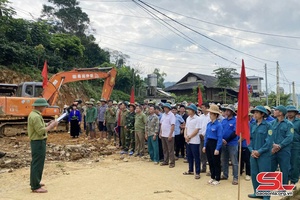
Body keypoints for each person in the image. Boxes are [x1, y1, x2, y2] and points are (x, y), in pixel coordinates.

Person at [28, 98, 58, 193]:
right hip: (38, 142)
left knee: (36, 163)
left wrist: (47, 124)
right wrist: (51, 126)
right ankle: (35, 186)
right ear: (40, 106)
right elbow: (40, 131)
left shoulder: (34, 115)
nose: (45, 107)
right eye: (44, 106)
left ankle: (35, 182)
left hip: (36, 141)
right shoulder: (36, 116)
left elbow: (40, 126)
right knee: (37, 163)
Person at [248, 106, 273, 200]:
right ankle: (257, 192)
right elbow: (249, 139)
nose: (254, 114)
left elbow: (269, 142)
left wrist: (259, 151)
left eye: (257, 113)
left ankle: (266, 196)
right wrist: (251, 150)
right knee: (254, 174)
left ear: (262, 114)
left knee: (264, 175)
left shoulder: (268, 126)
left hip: (264, 155)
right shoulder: (252, 125)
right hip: (253, 154)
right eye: (254, 113)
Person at [271, 105, 293, 185]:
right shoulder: (272, 123)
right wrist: (273, 144)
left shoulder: (289, 124)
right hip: (273, 150)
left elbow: (289, 137)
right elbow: (269, 135)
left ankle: (283, 187)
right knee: (270, 168)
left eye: (276, 110)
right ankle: (270, 186)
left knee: (284, 169)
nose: (274, 111)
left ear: (280, 113)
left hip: (284, 151)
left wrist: (280, 146)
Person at [202, 104, 223, 185]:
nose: (210, 115)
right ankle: (212, 176)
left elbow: (220, 137)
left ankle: (217, 178)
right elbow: (206, 136)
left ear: (216, 115)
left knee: (216, 162)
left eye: (211, 114)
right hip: (209, 143)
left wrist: (217, 148)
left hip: (215, 143)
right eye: (210, 113)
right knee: (210, 161)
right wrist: (204, 145)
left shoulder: (219, 125)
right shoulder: (209, 124)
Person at [220, 105, 238, 185]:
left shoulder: (235, 121)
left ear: (232, 112)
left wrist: (226, 140)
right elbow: (220, 130)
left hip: (232, 143)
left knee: (234, 161)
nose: (226, 112)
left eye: (228, 110)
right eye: (226, 110)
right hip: (223, 143)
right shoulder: (223, 121)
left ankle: (235, 177)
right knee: (224, 160)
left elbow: (235, 132)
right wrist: (222, 139)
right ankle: (225, 174)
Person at [183, 104, 201, 179]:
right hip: (188, 140)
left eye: (189, 110)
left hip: (194, 141)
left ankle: (197, 172)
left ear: (193, 111)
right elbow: (186, 128)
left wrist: (189, 136)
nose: (188, 111)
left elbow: (196, 130)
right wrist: (185, 135)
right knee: (189, 156)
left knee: (196, 157)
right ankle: (190, 170)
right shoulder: (188, 118)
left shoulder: (197, 119)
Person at [286, 105, 300, 186]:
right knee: (285, 164)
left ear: (295, 113)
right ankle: (286, 179)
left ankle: (293, 181)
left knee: (295, 163)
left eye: (291, 112)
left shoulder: (298, 122)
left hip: (295, 145)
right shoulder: (283, 121)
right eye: (288, 112)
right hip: (285, 146)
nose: (290, 113)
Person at [160, 103, 176, 168]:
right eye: (164, 107)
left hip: (169, 135)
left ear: (169, 108)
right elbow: (161, 124)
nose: (164, 109)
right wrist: (160, 132)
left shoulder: (171, 115)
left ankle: (172, 162)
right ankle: (165, 161)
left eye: (166, 107)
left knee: (170, 149)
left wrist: (170, 135)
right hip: (163, 134)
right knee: (165, 149)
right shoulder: (163, 115)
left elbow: (172, 125)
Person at [199, 103, 210, 174]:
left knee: (209, 153)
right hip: (201, 137)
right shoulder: (200, 116)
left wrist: (204, 134)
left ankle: (210, 169)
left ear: (206, 108)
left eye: (203, 107)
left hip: (208, 137)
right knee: (202, 153)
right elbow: (199, 126)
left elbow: (209, 128)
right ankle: (203, 167)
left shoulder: (210, 116)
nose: (202, 109)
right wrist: (200, 134)